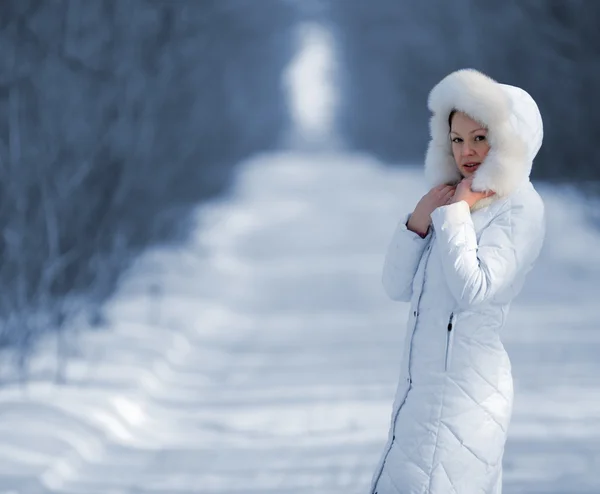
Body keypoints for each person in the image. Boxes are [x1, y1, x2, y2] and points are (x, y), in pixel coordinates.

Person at [370, 69, 546, 494]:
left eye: (480, 137)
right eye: (457, 139)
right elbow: (396, 287)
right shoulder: (457, 197)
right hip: (422, 391)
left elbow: (475, 290)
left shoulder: (520, 207)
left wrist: (455, 216)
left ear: (509, 137)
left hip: (467, 392)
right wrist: (418, 221)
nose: (467, 151)